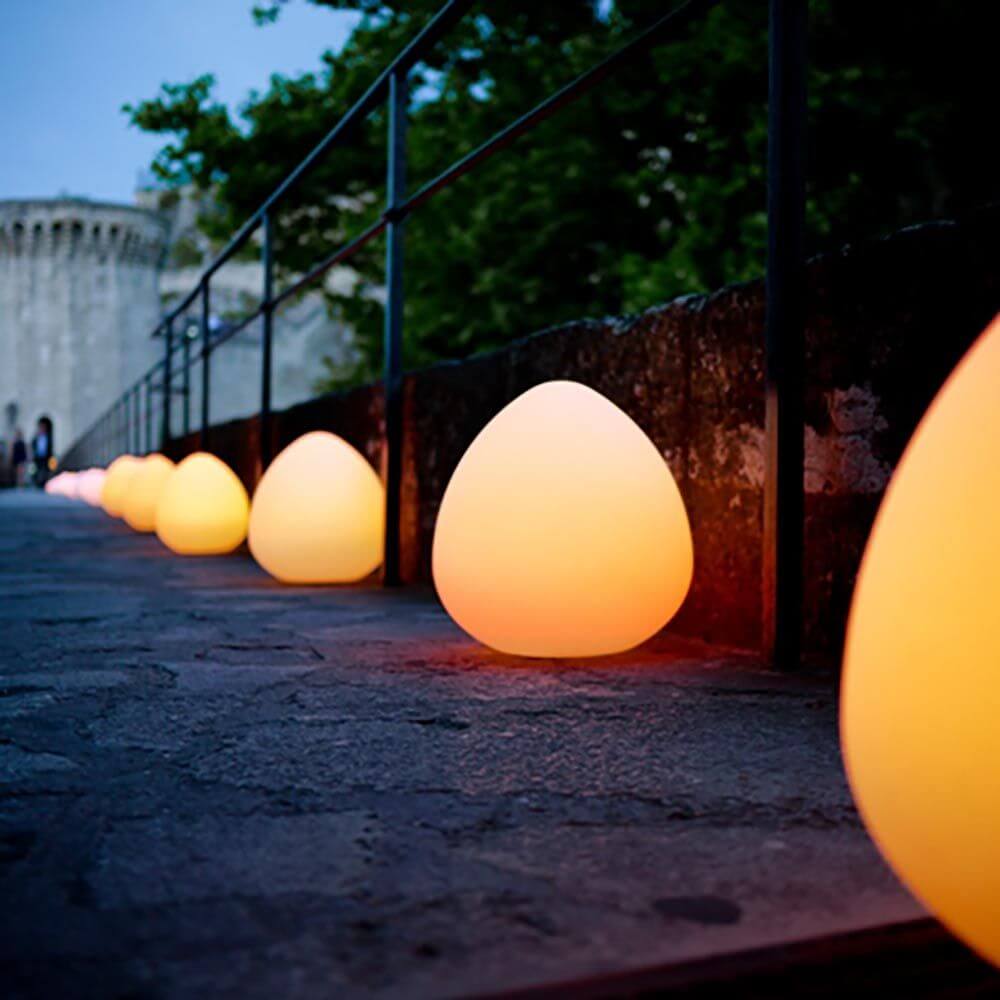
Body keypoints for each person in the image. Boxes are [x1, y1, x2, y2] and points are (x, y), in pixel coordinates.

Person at [31, 416, 53, 487]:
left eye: (43, 427)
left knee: (45, 470)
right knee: (35, 470)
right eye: (41, 427)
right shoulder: (36, 437)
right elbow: (32, 444)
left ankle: (44, 483)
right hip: (37, 456)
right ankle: (36, 482)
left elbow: (50, 447)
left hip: (46, 456)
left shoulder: (48, 437)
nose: (42, 428)